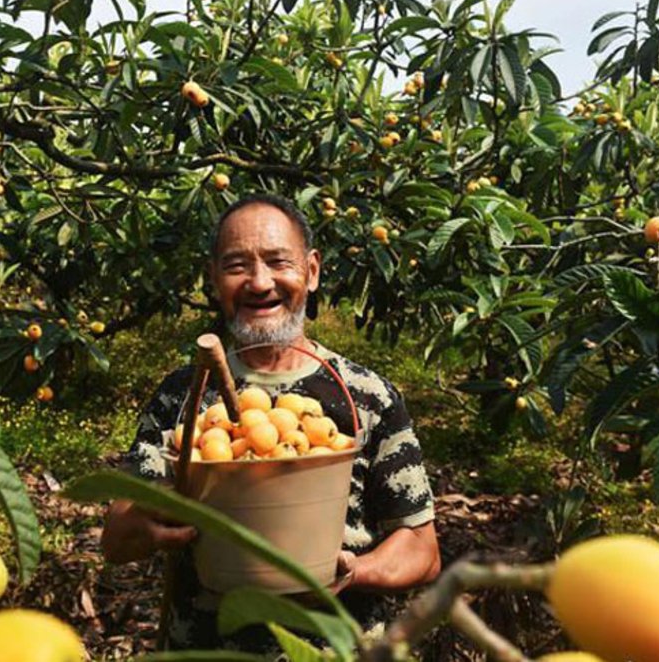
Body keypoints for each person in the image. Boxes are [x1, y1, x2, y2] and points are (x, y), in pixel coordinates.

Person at [100, 193, 440, 650]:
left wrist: (355, 570)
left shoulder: (367, 396)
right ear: (214, 280)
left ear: (312, 271)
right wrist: (153, 519)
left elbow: (420, 546)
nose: (260, 283)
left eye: (279, 262)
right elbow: (116, 541)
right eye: (237, 266)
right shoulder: (183, 396)